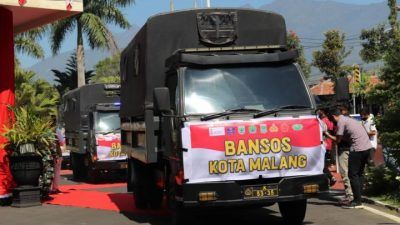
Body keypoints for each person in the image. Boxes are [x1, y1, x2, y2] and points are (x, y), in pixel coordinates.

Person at [324, 108, 373, 209]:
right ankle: (359, 197)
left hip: (357, 149)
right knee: (359, 174)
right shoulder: (349, 120)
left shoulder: (341, 122)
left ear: (333, 116)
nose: (332, 122)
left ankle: (357, 201)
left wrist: (327, 134)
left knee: (352, 174)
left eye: (331, 119)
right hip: (367, 148)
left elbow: (338, 140)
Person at [317, 108, 336, 186]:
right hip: (329, 142)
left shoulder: (322, 121)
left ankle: (330, 178)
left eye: (319, 110)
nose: (318, 112)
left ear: (323, 112)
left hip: (324, 143)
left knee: (322, 163)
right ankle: (329, 178)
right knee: (324, 163)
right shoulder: (328, 120)